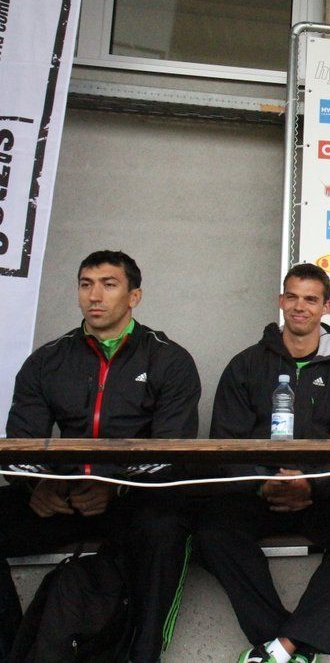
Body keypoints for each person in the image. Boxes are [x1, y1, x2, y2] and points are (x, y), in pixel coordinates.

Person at [2, 250, 200, 663]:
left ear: (134, 297)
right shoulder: (48, 360)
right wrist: (39, 486)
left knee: (166, 527)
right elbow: (20, 444)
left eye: (109, 285)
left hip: (133, 502)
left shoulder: (168, 359)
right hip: (64, 500)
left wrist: (114, 489)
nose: (95, 296)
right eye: (86, 285)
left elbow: (172, 452)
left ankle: (144, 656)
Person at [194, 263, 330, 663]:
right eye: (293, 297)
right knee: (212, 530)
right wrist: (262, 482)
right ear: (281, 301)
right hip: (255, 494)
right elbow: (224, 444)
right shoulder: (246, 364)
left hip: (321, 496)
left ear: (326, 306)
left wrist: (311, 482)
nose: (300, 307)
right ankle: (289, 645)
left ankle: (281, 648)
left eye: (311, 299)